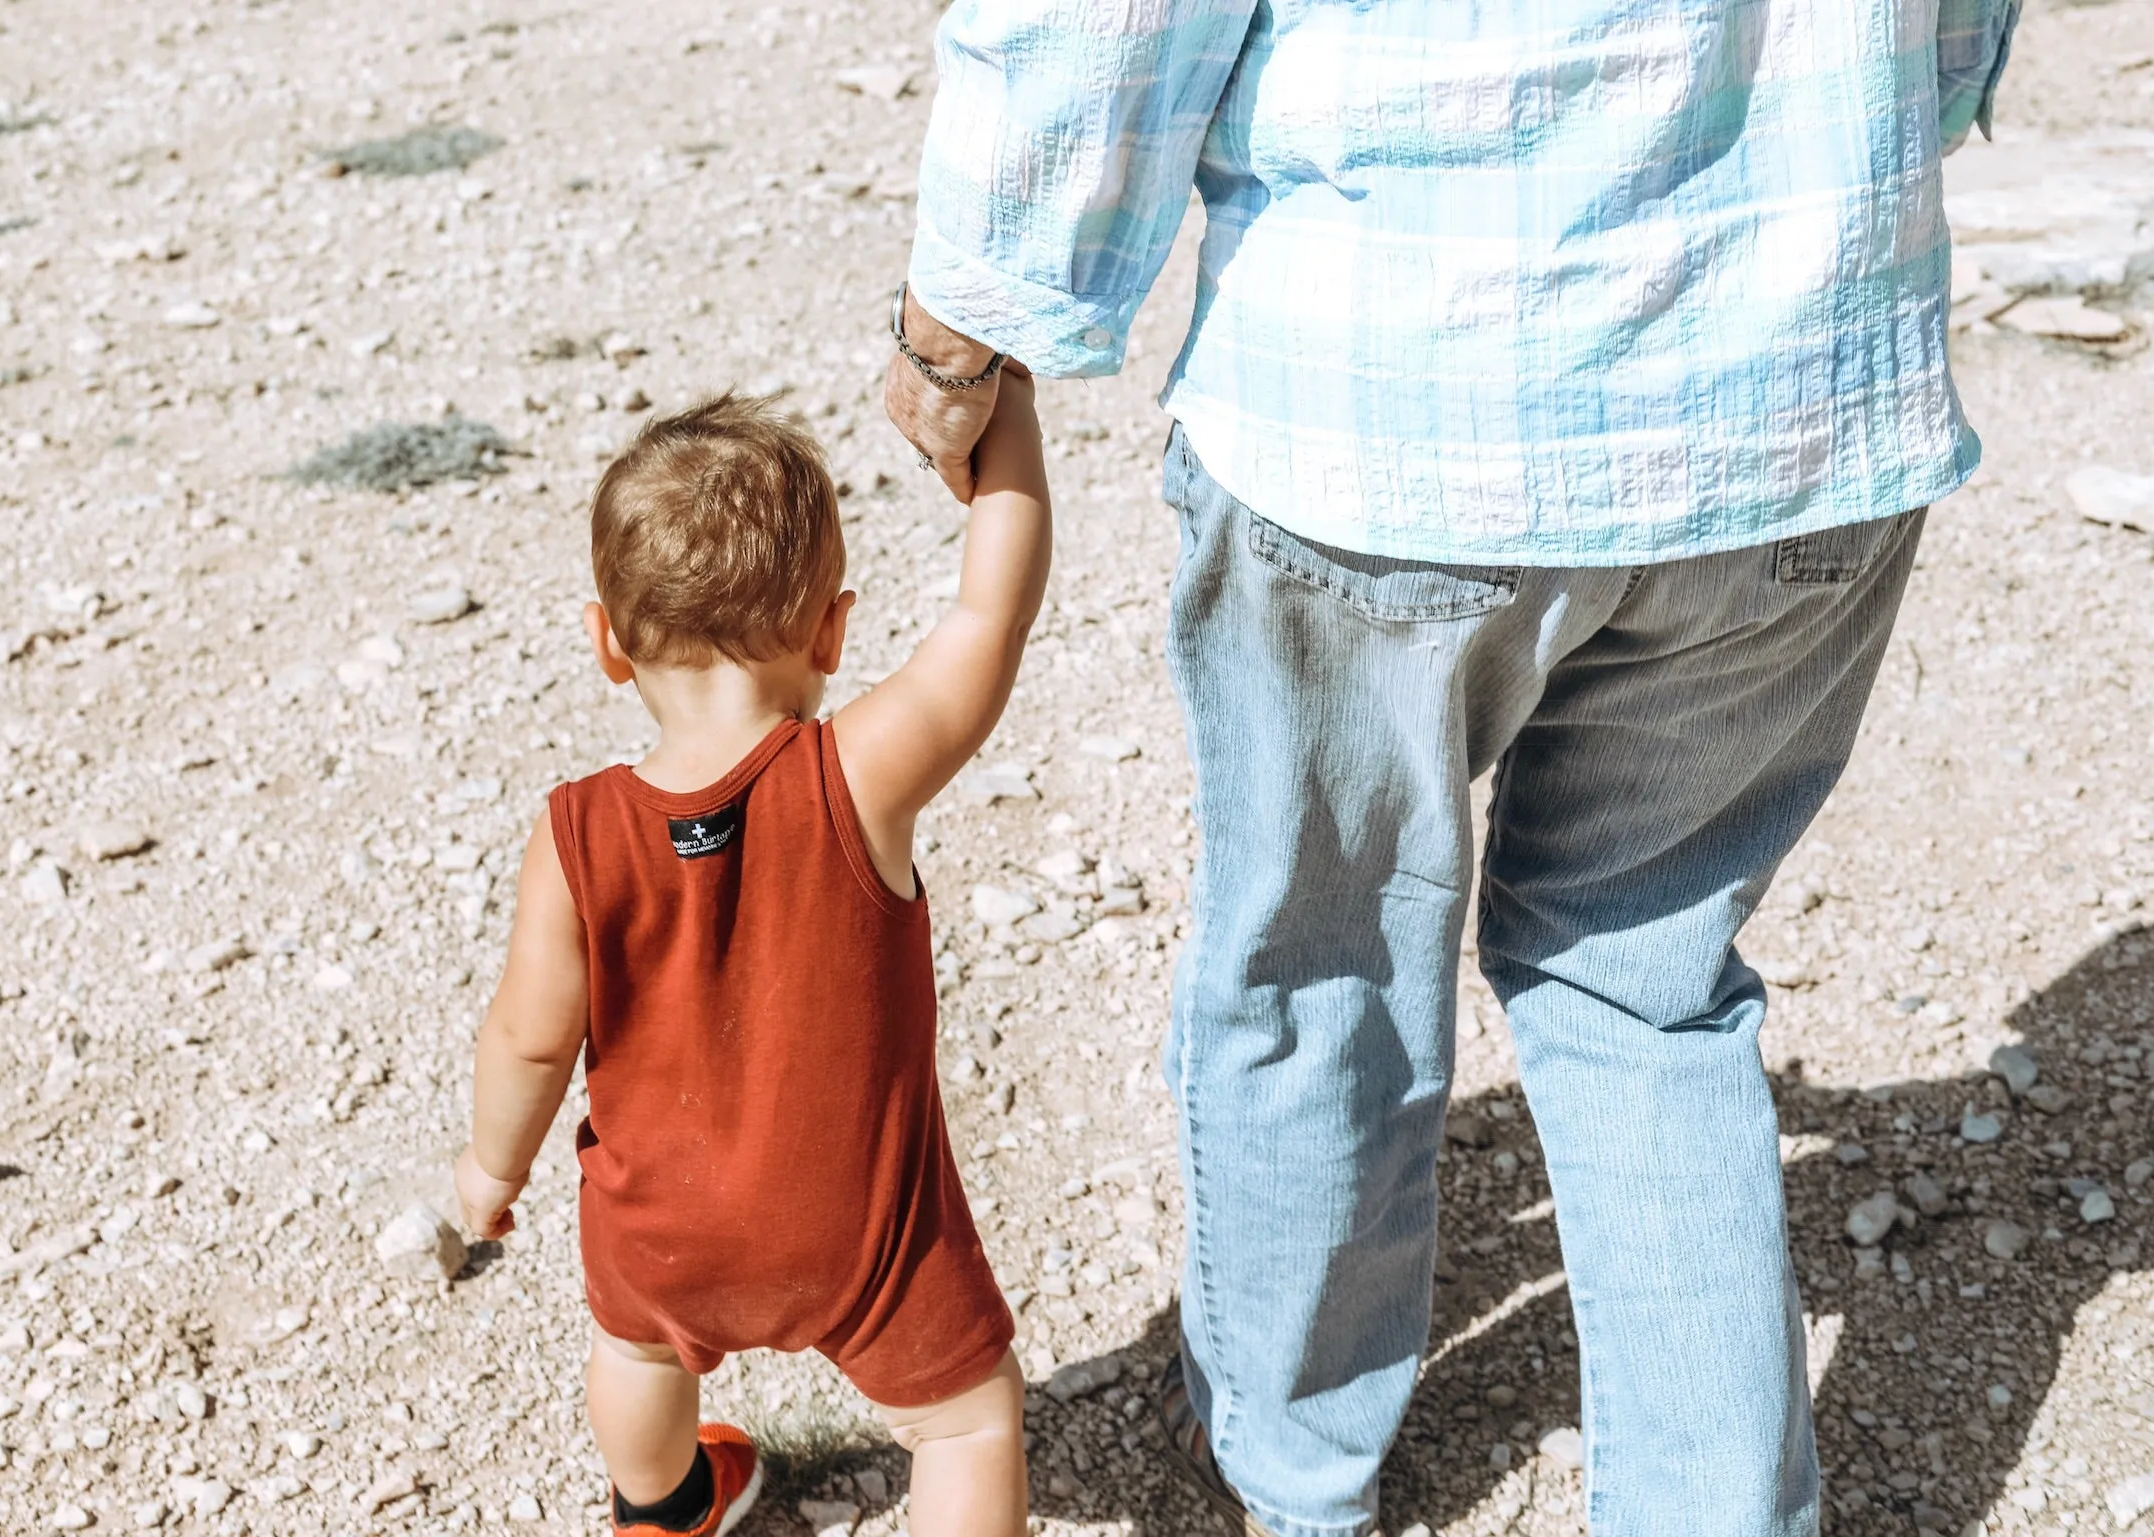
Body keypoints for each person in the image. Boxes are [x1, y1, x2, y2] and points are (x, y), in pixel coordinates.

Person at [883, 2, 2023, 1535]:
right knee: (1647, 987)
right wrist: (1891, 126)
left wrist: (967, 316)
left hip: (1393, 407)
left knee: (1321, 964)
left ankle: (1296, 1482)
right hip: (1799, 385)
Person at [452, 383, 1051, 1537]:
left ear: (606, 646)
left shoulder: (577, 833)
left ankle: (664, 1504)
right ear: (831, 631)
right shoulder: (858, 776)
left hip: (657, 1226)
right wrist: (1007, 411)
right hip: (859, 1229)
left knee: (633, 1349)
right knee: (967, 1421)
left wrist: (491, 1169)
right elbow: (991, 617)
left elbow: (527, 1033)